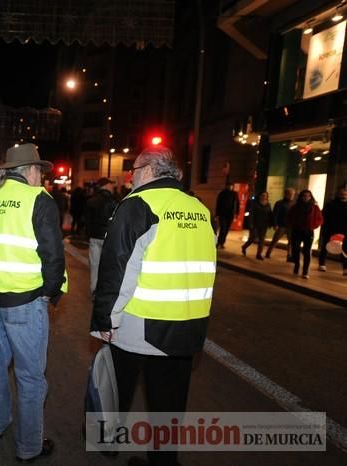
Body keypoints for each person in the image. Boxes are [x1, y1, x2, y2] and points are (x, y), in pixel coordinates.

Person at [90, 147, 216, 466]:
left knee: (117, 387)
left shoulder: (137, 205)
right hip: (187, 324)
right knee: (170, 404)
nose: (130, 176)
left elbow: (118, 268)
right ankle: (163, 461)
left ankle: (106, 441)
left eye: (133, 169)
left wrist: (106, 319)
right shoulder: (199, 208)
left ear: (148, 170)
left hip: (141, 323)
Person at [0, 143, 67, 463]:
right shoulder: (38, 200)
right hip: (25, 300)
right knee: (30, 376)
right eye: (40, 171)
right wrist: (50, 293)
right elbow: (53, 256)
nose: (41, 177)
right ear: (29, 170)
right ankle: (29, 445)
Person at [84, 177, 118, 295]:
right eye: (111, 184)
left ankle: (94, 289)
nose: (113, 186)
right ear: (106, 186)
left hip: (94, 237)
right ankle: (105, 291)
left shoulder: (91, 200)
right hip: (108, 238)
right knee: (108, 265)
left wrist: (88, 236)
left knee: (94, 265)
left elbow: (87, 221)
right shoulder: (113, 201)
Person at [287, 189, 323, 278]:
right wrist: (294, 224)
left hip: (308, 232)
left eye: (308, 196)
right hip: (297, 231)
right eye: (304, 196)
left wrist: (313, 226)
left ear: (311, 197)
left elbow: (320, 219)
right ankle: (297, 264)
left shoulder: (314, 208)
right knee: (295, 249)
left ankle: (305, 271)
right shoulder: (295, 207)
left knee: (307, 251)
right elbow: (289, 217)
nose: (306, 198)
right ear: (301, 197)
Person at [318, 186, 347, 272]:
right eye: (342, 193)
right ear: (338, 194)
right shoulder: (330, 204)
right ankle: (322, 263)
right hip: (330, 229)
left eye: (345, 193)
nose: (343, 195)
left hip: (344, 230)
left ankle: (345, 267)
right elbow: (324, 216)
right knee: (325, 247)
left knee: (344, 249)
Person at [241, 191, 274, 260]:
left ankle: (259, 254)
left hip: (264, 225)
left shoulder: (268, 205)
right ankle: (244, 247)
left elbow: (270, 214)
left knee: (262, 240)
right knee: (252, 238)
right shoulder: (255, 204)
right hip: (255, 224)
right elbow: (251, 214)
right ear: (259, 196)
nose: (264, 196)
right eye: (262, 195)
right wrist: (251, 223)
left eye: (265, 195)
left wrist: (271, 223)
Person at [265, 188, 295, 260]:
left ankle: (289, 255)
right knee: (275, 240)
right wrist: (275, 224)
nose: (291, 196)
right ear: (286, 194)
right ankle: (268, 253)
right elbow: (275, 214)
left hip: (290, 226)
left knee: (291, 241)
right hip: (281, 225)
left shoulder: (294, 203)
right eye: (290, 194)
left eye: (292, 194)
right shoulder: (279, 203)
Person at [214, 182, 239, 248]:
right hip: (223, 214)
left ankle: (222, 243)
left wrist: (236, 213)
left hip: (230, 214)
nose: (230, 187)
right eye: (229, 186)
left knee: (227, 229)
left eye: (231, 186)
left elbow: (237, 204)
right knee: (223, 228)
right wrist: (217, 214)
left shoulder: (235, 194)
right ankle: (219, 242)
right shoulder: (222, 193)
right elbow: (218, 204)